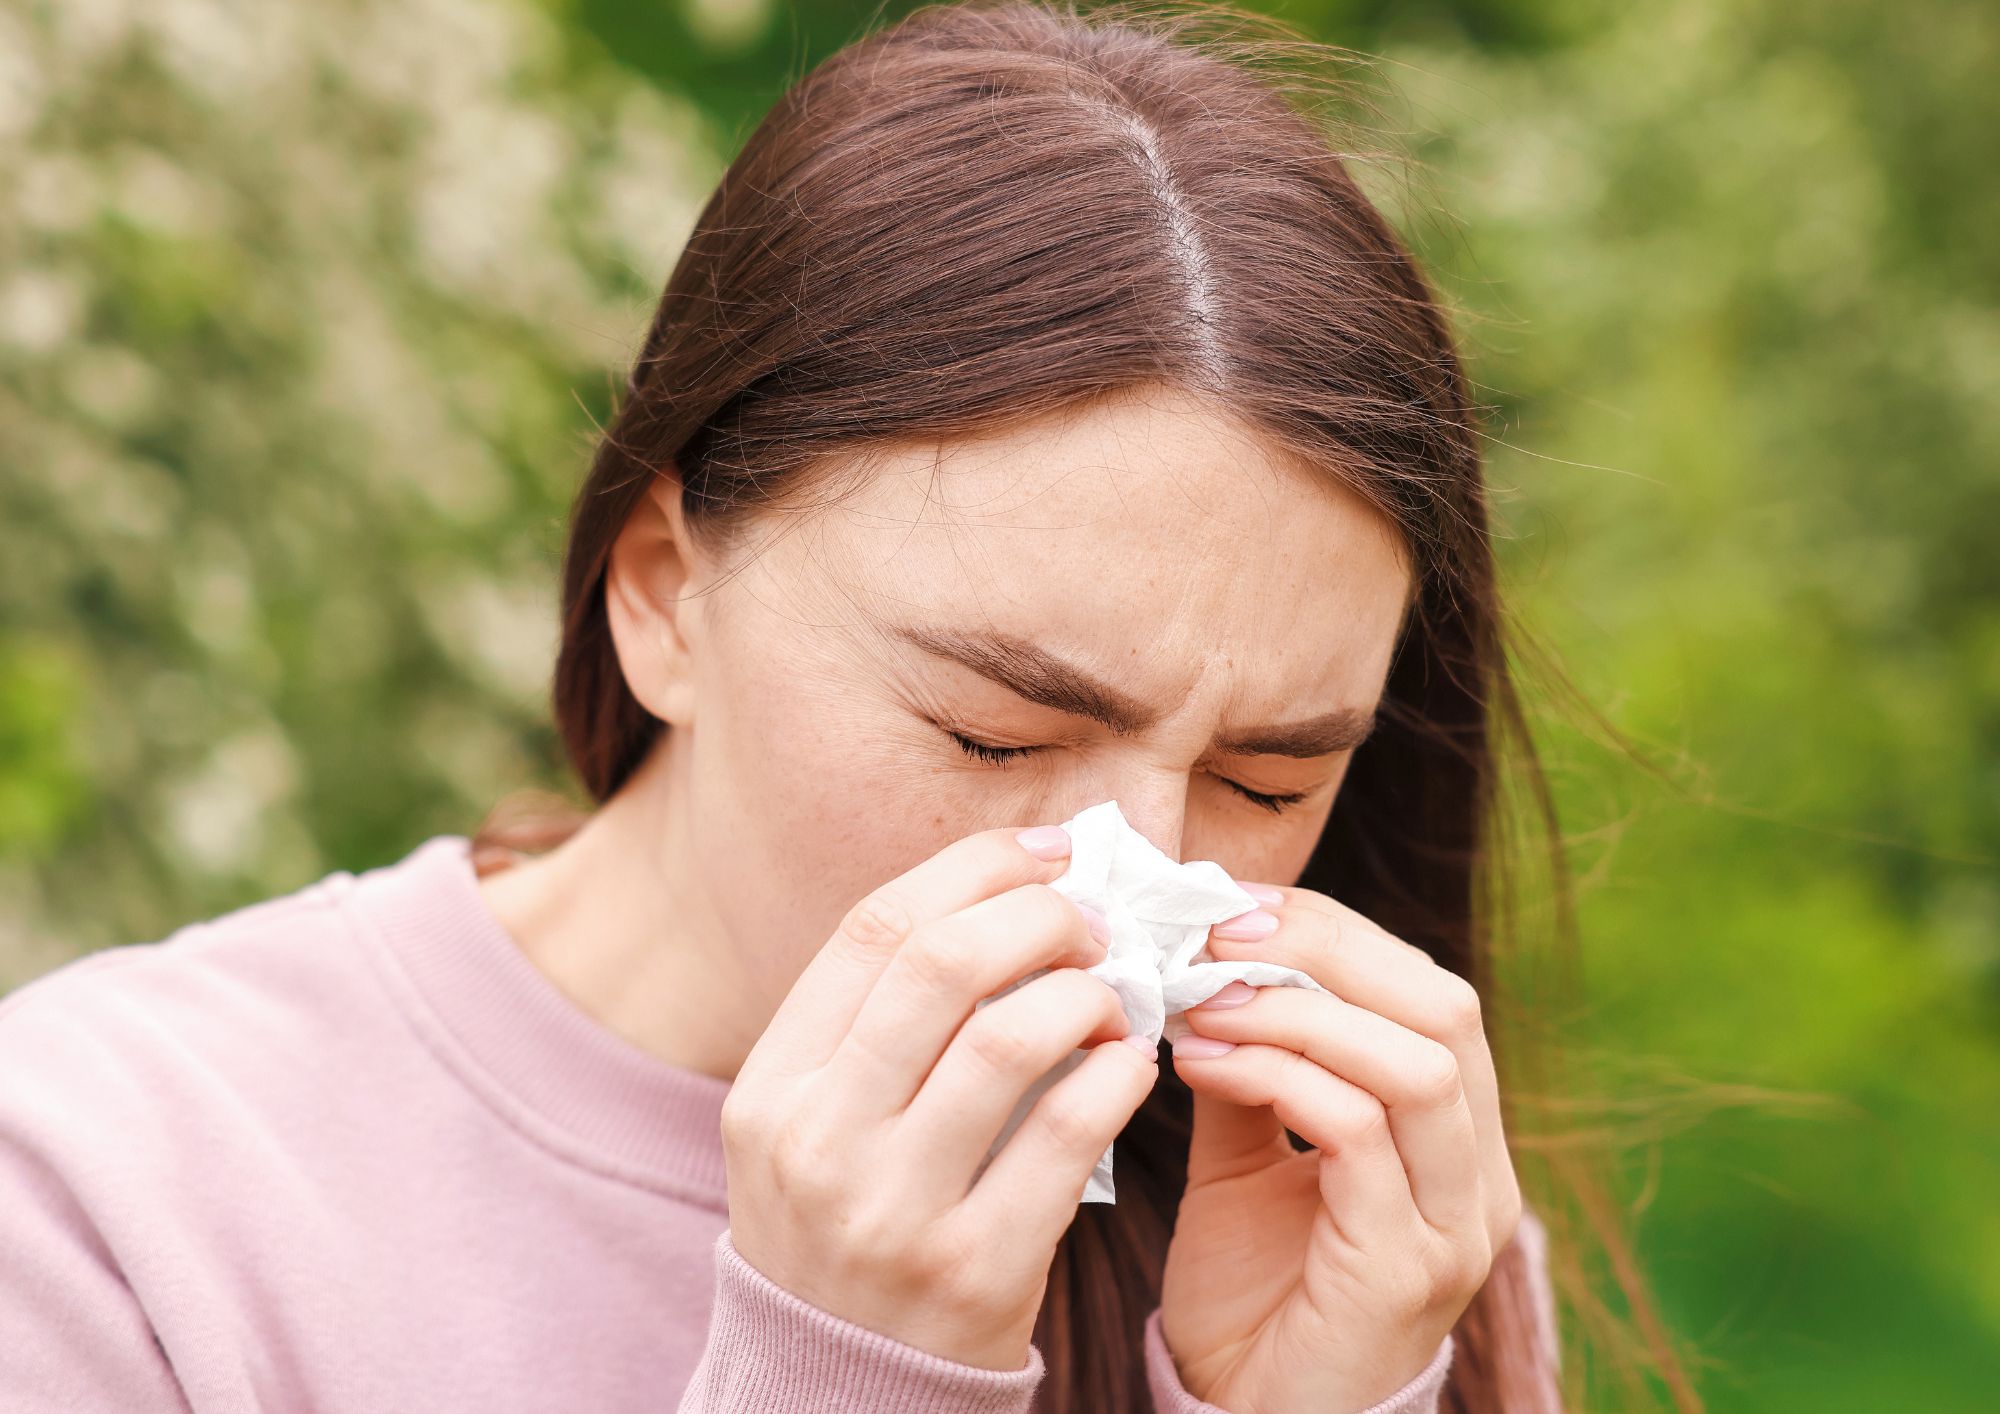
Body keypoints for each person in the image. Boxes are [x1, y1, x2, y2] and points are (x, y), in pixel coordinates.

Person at [0, 1, 1575, 1409]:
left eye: (1269, 778)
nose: (1135, 892)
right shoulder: (106, 1206)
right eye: (996, 734)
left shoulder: (1364, 1241)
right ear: (665, 594)